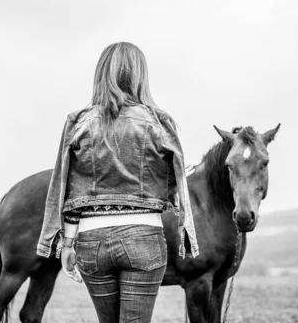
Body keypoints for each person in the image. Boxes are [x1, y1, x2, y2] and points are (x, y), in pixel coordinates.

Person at [36, 42, 199, 323]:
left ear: (101, 74)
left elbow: (66, 185)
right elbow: (176, 184)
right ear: (140, 76)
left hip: (91, 243)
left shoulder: (78, 123)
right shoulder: (158, 122)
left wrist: (66, 246)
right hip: (144, 239)